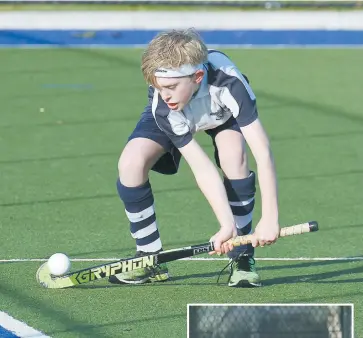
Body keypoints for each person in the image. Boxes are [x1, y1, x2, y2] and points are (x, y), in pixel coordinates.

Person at [109, 28, 280, 287]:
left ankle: (242, 254)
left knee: (234, 157)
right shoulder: (164, 105)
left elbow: (263, 151)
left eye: (170, 87)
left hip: (222, 115)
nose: (164, 94)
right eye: (157, 87)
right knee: (131, 162)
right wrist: (225, 224)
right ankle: (149, 257)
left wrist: (270, 218)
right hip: (181, 116)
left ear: (198, 76)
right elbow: (201, 168)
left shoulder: (229, 82)